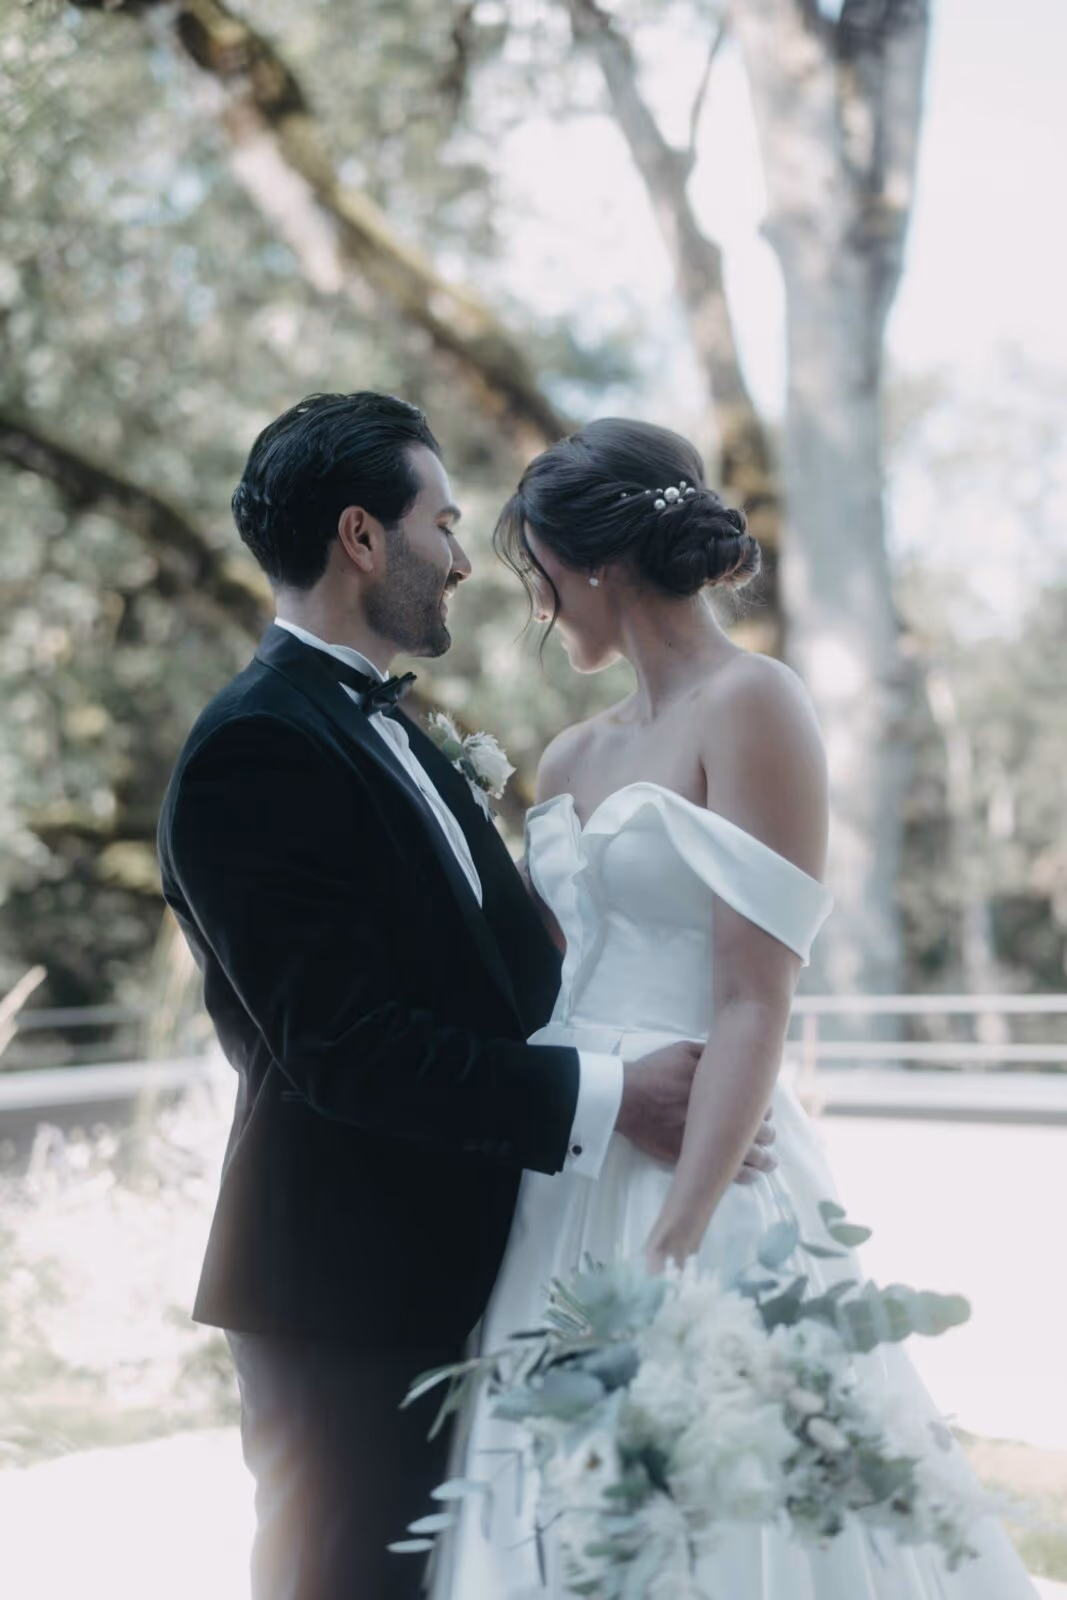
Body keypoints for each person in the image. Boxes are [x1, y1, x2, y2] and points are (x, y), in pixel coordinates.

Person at [156, 393, 775, 1600]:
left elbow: (514, 976)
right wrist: (612, 1093)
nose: (463, 559)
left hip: (479, 1256)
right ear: (361, 538)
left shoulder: (380, 730)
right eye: (441, 522)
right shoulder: (258, 747)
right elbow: (345, 1047)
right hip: (352, 1292)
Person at [432, 417, 1038, 1598]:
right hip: (570, 1159)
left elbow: (755, 998)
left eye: (539, 573)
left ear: (588, 562)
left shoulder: (754, 705)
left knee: (710, 1502)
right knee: (557, 1502)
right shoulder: (566, 761)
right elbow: (552, 977)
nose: (538, 604)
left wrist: (671, 1243)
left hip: (699, 1162)